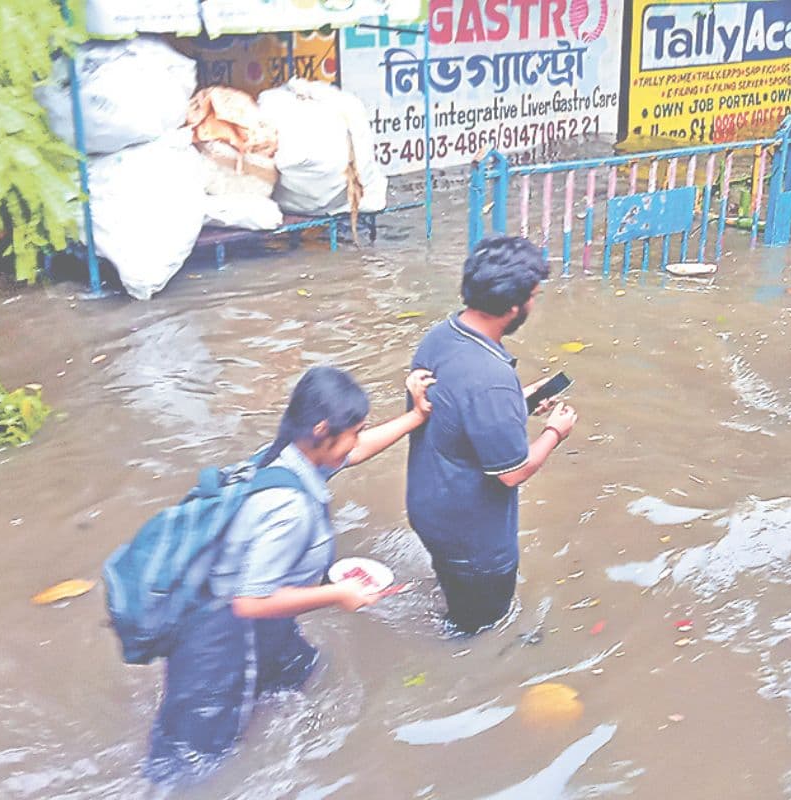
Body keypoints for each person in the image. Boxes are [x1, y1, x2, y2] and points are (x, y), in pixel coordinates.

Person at [145, 365, 434, 783]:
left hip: (249, 622)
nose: (355, 440)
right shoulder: (288, 507)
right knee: (190, 765)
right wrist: (340, 594)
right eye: (353, 430)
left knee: (301, 672)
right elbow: (250, 601)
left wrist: (416, 417)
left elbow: (353, 451)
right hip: (216, 640)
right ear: (321, 429)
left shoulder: (287, 454)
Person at [406, 235, 578, 634]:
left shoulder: (442, 336)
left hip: (430, 509)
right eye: (534, 296)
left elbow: (457, 413)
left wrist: (517, 402)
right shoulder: (492, 380)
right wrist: (555, 432)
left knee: (456, 596)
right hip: (474, 539)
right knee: (481, 630)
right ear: (514, 307)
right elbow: (512, 472)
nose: (534, 305)